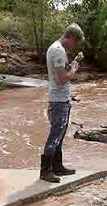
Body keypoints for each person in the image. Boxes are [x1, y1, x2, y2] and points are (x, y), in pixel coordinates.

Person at [40, 23, 85, 183]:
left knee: (59, 135)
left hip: (61, 99)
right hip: (58, 101)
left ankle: (57, 167)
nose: (75, 45)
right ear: (71, 37)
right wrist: (74, 69)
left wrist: (70, 96)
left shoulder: (58, 49)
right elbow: (62, 78)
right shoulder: (58, 51)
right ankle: (45, 171)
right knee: (55, 135)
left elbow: (59, 77)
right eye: (76, 42)